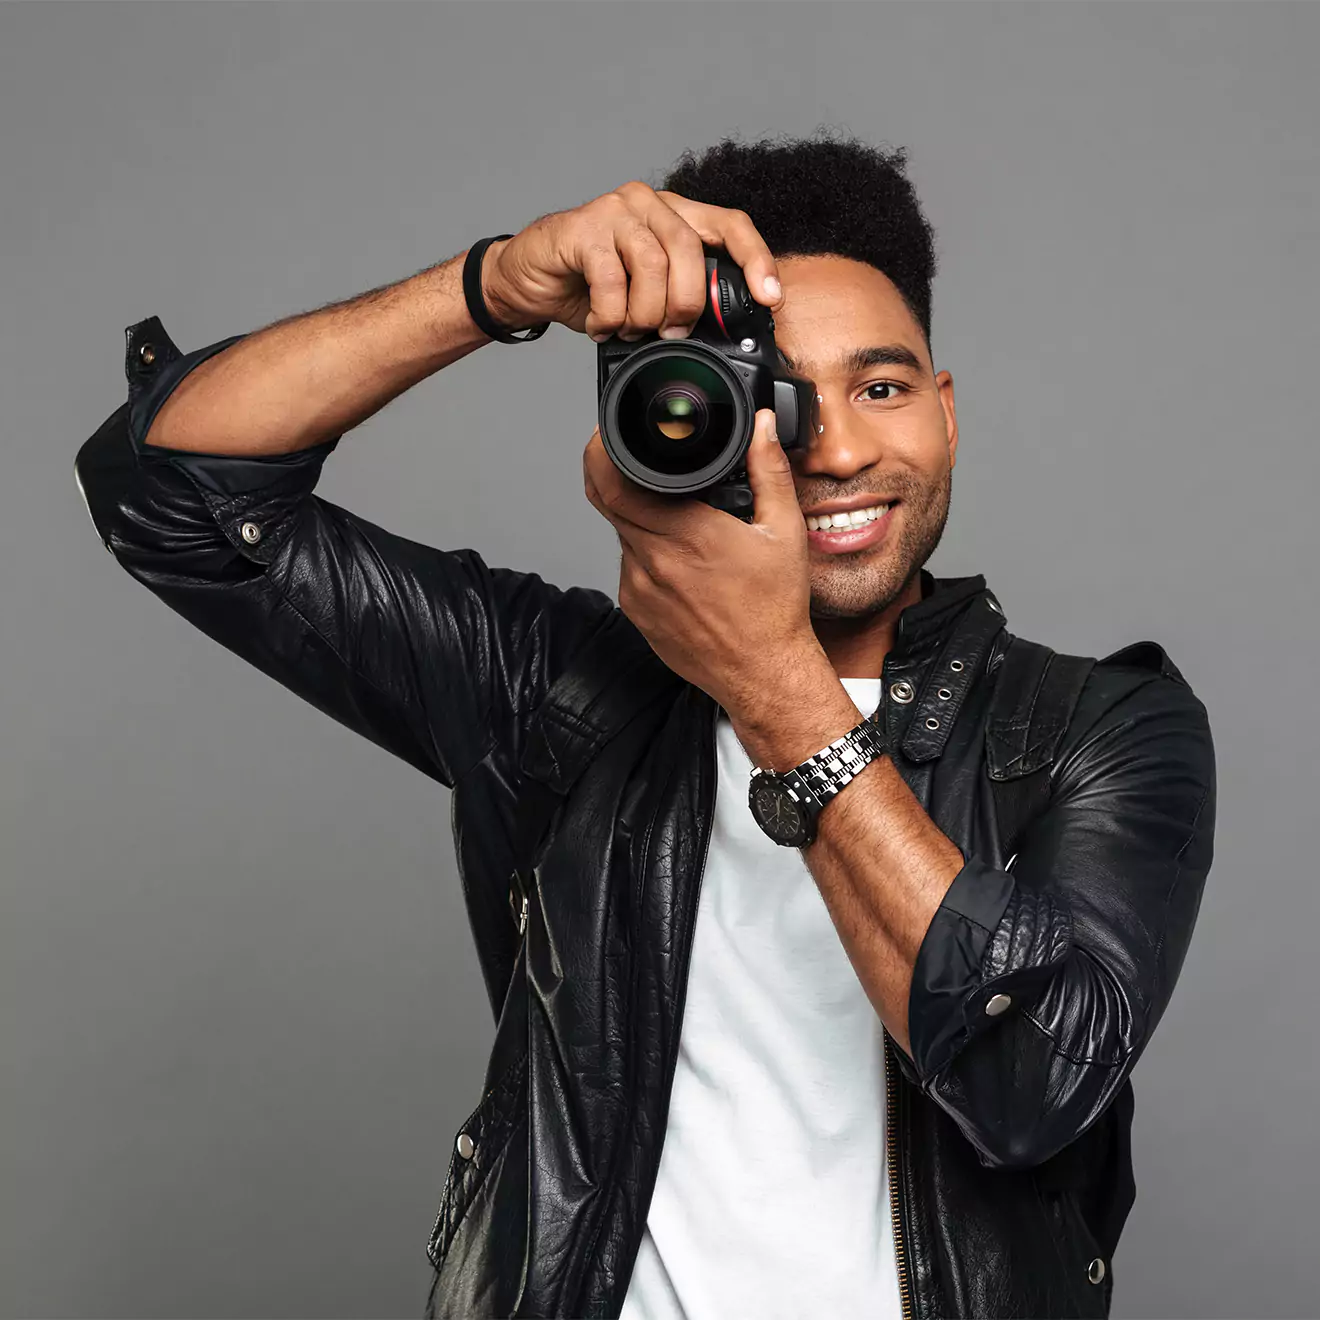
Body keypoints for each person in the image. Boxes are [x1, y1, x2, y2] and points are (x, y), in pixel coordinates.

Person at [74, 132, 1216, 1320]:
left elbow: (1034, 1082)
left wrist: (777, 688)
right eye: (775, 397)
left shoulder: (1097, 725)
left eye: (879, 388)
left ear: (945, 413)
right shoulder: (555, 690)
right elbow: (165, 498)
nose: (830, 450)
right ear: (681, 420)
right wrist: (493, 287)